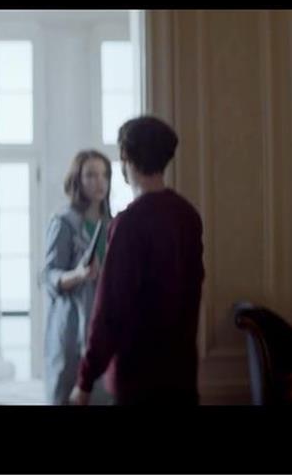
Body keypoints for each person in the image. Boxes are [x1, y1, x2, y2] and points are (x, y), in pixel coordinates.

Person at [70, 115, 205, 406]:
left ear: (125, 157)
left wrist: (85, 379)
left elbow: (110, 309)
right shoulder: (188, 216)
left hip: (138, 378)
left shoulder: (128, 224)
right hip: (181, 373)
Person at [41, 150, 115, 405]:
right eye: (91, 175)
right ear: (78, 180)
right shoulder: (63, 222)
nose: (99, 182)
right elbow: (49, 275)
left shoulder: (113, 224)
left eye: (104, 175)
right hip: (71, 328)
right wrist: (79, 274)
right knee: (68, 394)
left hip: (104, 325)